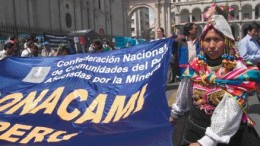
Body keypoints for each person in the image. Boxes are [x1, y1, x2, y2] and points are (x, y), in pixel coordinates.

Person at [169, 14, 260, 146]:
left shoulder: (238, 70)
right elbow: (183, 93)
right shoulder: (195, 66)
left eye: (217, 39)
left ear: (227, 41)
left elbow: (231, 110)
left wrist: (205, 142)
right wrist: (175, 114)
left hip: (227, 135)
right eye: (207, 39)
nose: (211, 45)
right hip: (194, 129)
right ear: (202, 42)